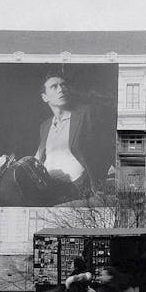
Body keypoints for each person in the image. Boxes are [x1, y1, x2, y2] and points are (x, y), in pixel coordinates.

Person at [32, 70, 112, 203]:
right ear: (45, 97)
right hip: (49, 189)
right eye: (54, 86)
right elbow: (36, 159)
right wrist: (10, 163)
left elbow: (107, 145)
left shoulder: (86, 113)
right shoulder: (45, 126)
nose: (61, 89)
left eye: (63, 85)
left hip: (78, 189)